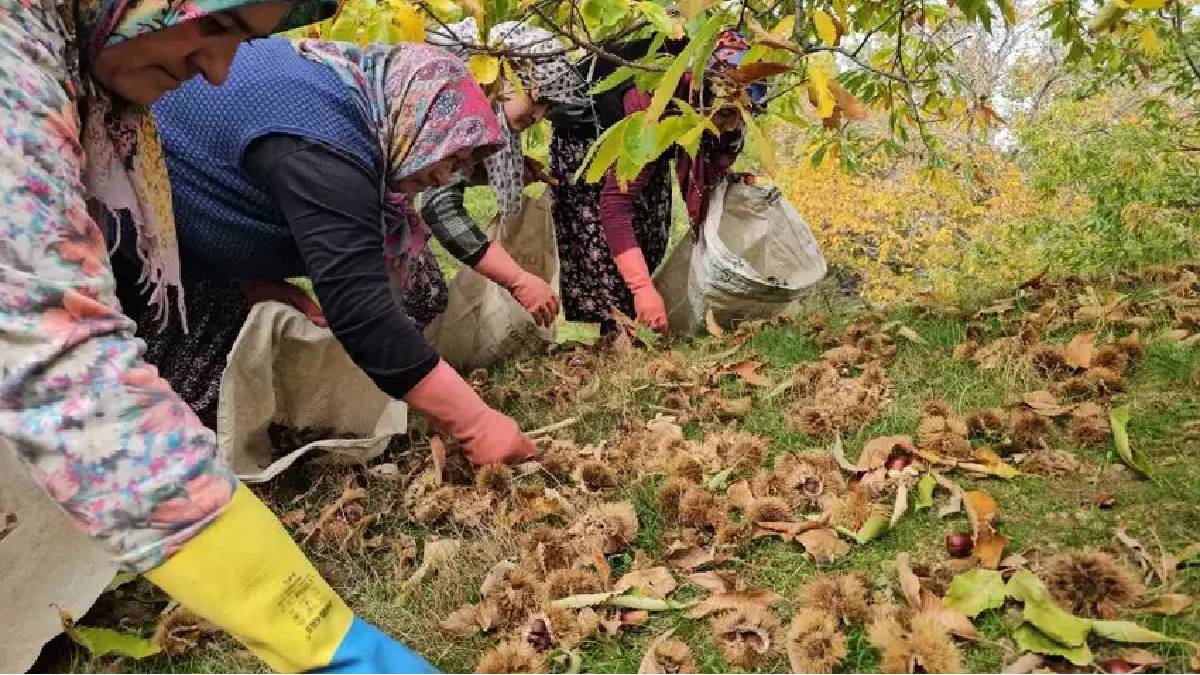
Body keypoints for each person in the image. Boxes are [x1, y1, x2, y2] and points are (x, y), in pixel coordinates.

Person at [0, 0, 459, 669]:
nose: (217, 72)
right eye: (215, 26)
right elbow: (68, 367)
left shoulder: (91, 82)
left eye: (243, 40)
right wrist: (323, 638)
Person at [141, 37, 537, 467]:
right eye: (449, 154)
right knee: (176, 417)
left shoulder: (352, 99)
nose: (444, 176)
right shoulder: (326, 148)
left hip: (176, 227)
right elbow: (361, 311)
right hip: (129, 234)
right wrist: (476, 424)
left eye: (459, 166)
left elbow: (226, 167)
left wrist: (252, 278)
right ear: (415, 112)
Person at [549, 31, 765, 334]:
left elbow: (712, 169)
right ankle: (620, 333)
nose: (732, 123)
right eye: (726, 112)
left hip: (656, 141)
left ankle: (636, 324)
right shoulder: (653, 101)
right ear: (702, 93)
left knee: (651, 230)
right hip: (590, 138)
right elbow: (615, 206)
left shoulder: (727, 118)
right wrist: (641, 289)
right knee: (608, 248)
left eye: (742, 113)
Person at [421, 20, 589, 327]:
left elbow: (439, 172)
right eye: (538, 101)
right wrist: (518, 280)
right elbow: (440, 207)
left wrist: (490, 172)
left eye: (548, 108)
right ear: (507, 79)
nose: (539, 116)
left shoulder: (483, 103)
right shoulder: (455, 103)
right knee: (416, 292)